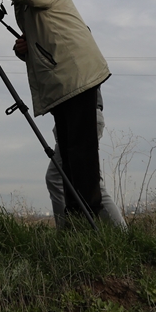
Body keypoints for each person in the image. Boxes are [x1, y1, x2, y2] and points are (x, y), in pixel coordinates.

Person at [0, 0, 110, 222]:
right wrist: (25, 51)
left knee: (81, 159)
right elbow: (46, 44)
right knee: (70, 161)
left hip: (76, 77)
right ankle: (76, 224)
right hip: (61, 83)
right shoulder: (24, 6)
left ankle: (90, 225)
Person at [45, 92, 126, 229]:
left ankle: (67, 234)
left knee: (83, 180)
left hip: (82, 114)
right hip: (73, 115)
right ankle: (71, 232)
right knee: (80, 179)